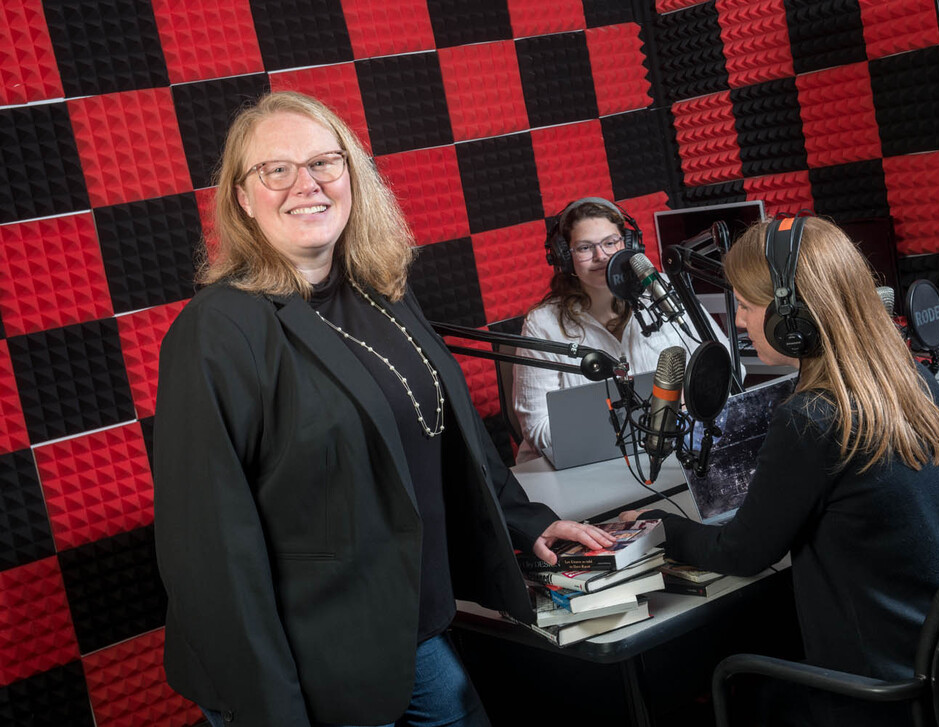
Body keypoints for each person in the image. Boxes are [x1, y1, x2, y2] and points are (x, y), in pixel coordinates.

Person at [152, 91, 615, 727]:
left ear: (352, 175)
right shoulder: (217, 331)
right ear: (241, 197)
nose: (306, 185)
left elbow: (450, 434)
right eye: (276, 169)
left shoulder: (381, 291)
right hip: (306, 659)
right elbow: (208, 552)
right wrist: (270, 710)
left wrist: (524, 521)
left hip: (413, 628)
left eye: (324, 162)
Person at [621, 216, 939, 726]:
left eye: (748, 307)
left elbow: (743, 553)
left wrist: (658, 528)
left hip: (882, 690)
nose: (743, 323)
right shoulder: (914, 379)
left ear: (791, 319)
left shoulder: (811, 416)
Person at [511, 197, 736, 463]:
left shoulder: (662, 289)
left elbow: (729, 368)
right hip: (585, 466)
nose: (601, 256)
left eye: (610, 242)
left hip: (673, 453)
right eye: (584, 247)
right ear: (564, 257)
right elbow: (538, 430)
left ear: (628, 245)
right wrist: (648, 422)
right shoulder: (543, 324)